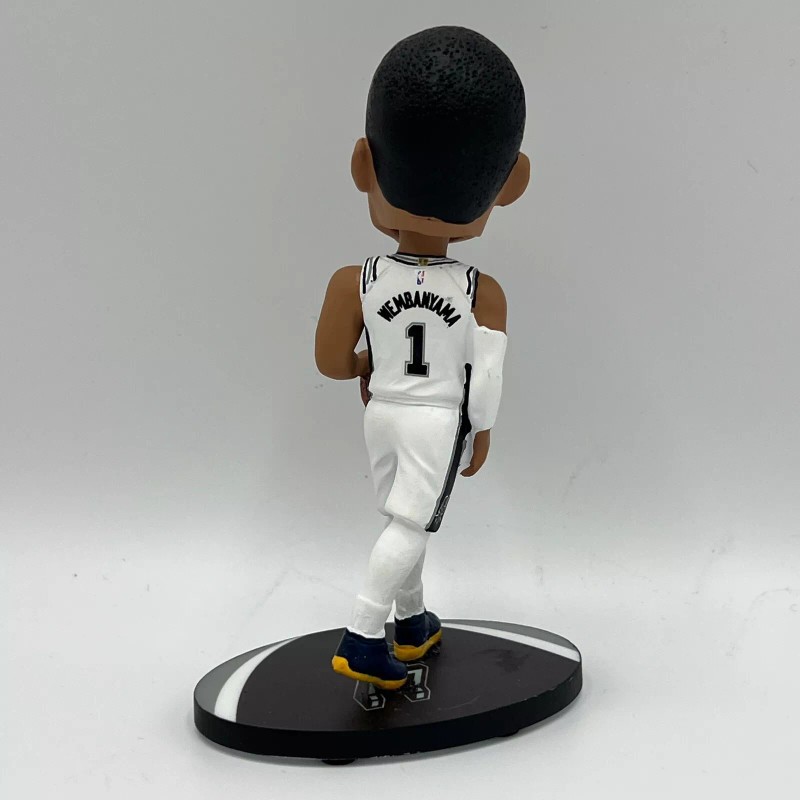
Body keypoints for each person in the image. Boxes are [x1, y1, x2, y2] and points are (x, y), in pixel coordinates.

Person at [315, 26, 529, 690]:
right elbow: (486, 373)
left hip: (382, 412)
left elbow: (330, 362)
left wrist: (365, 369)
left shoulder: (354, 279)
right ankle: (362, 635)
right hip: (435, 419)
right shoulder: (481, 292)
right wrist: (482, 427)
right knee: (410, 524)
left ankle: (411, 622)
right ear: (511, 183)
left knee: (401, 519)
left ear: (362, 165)